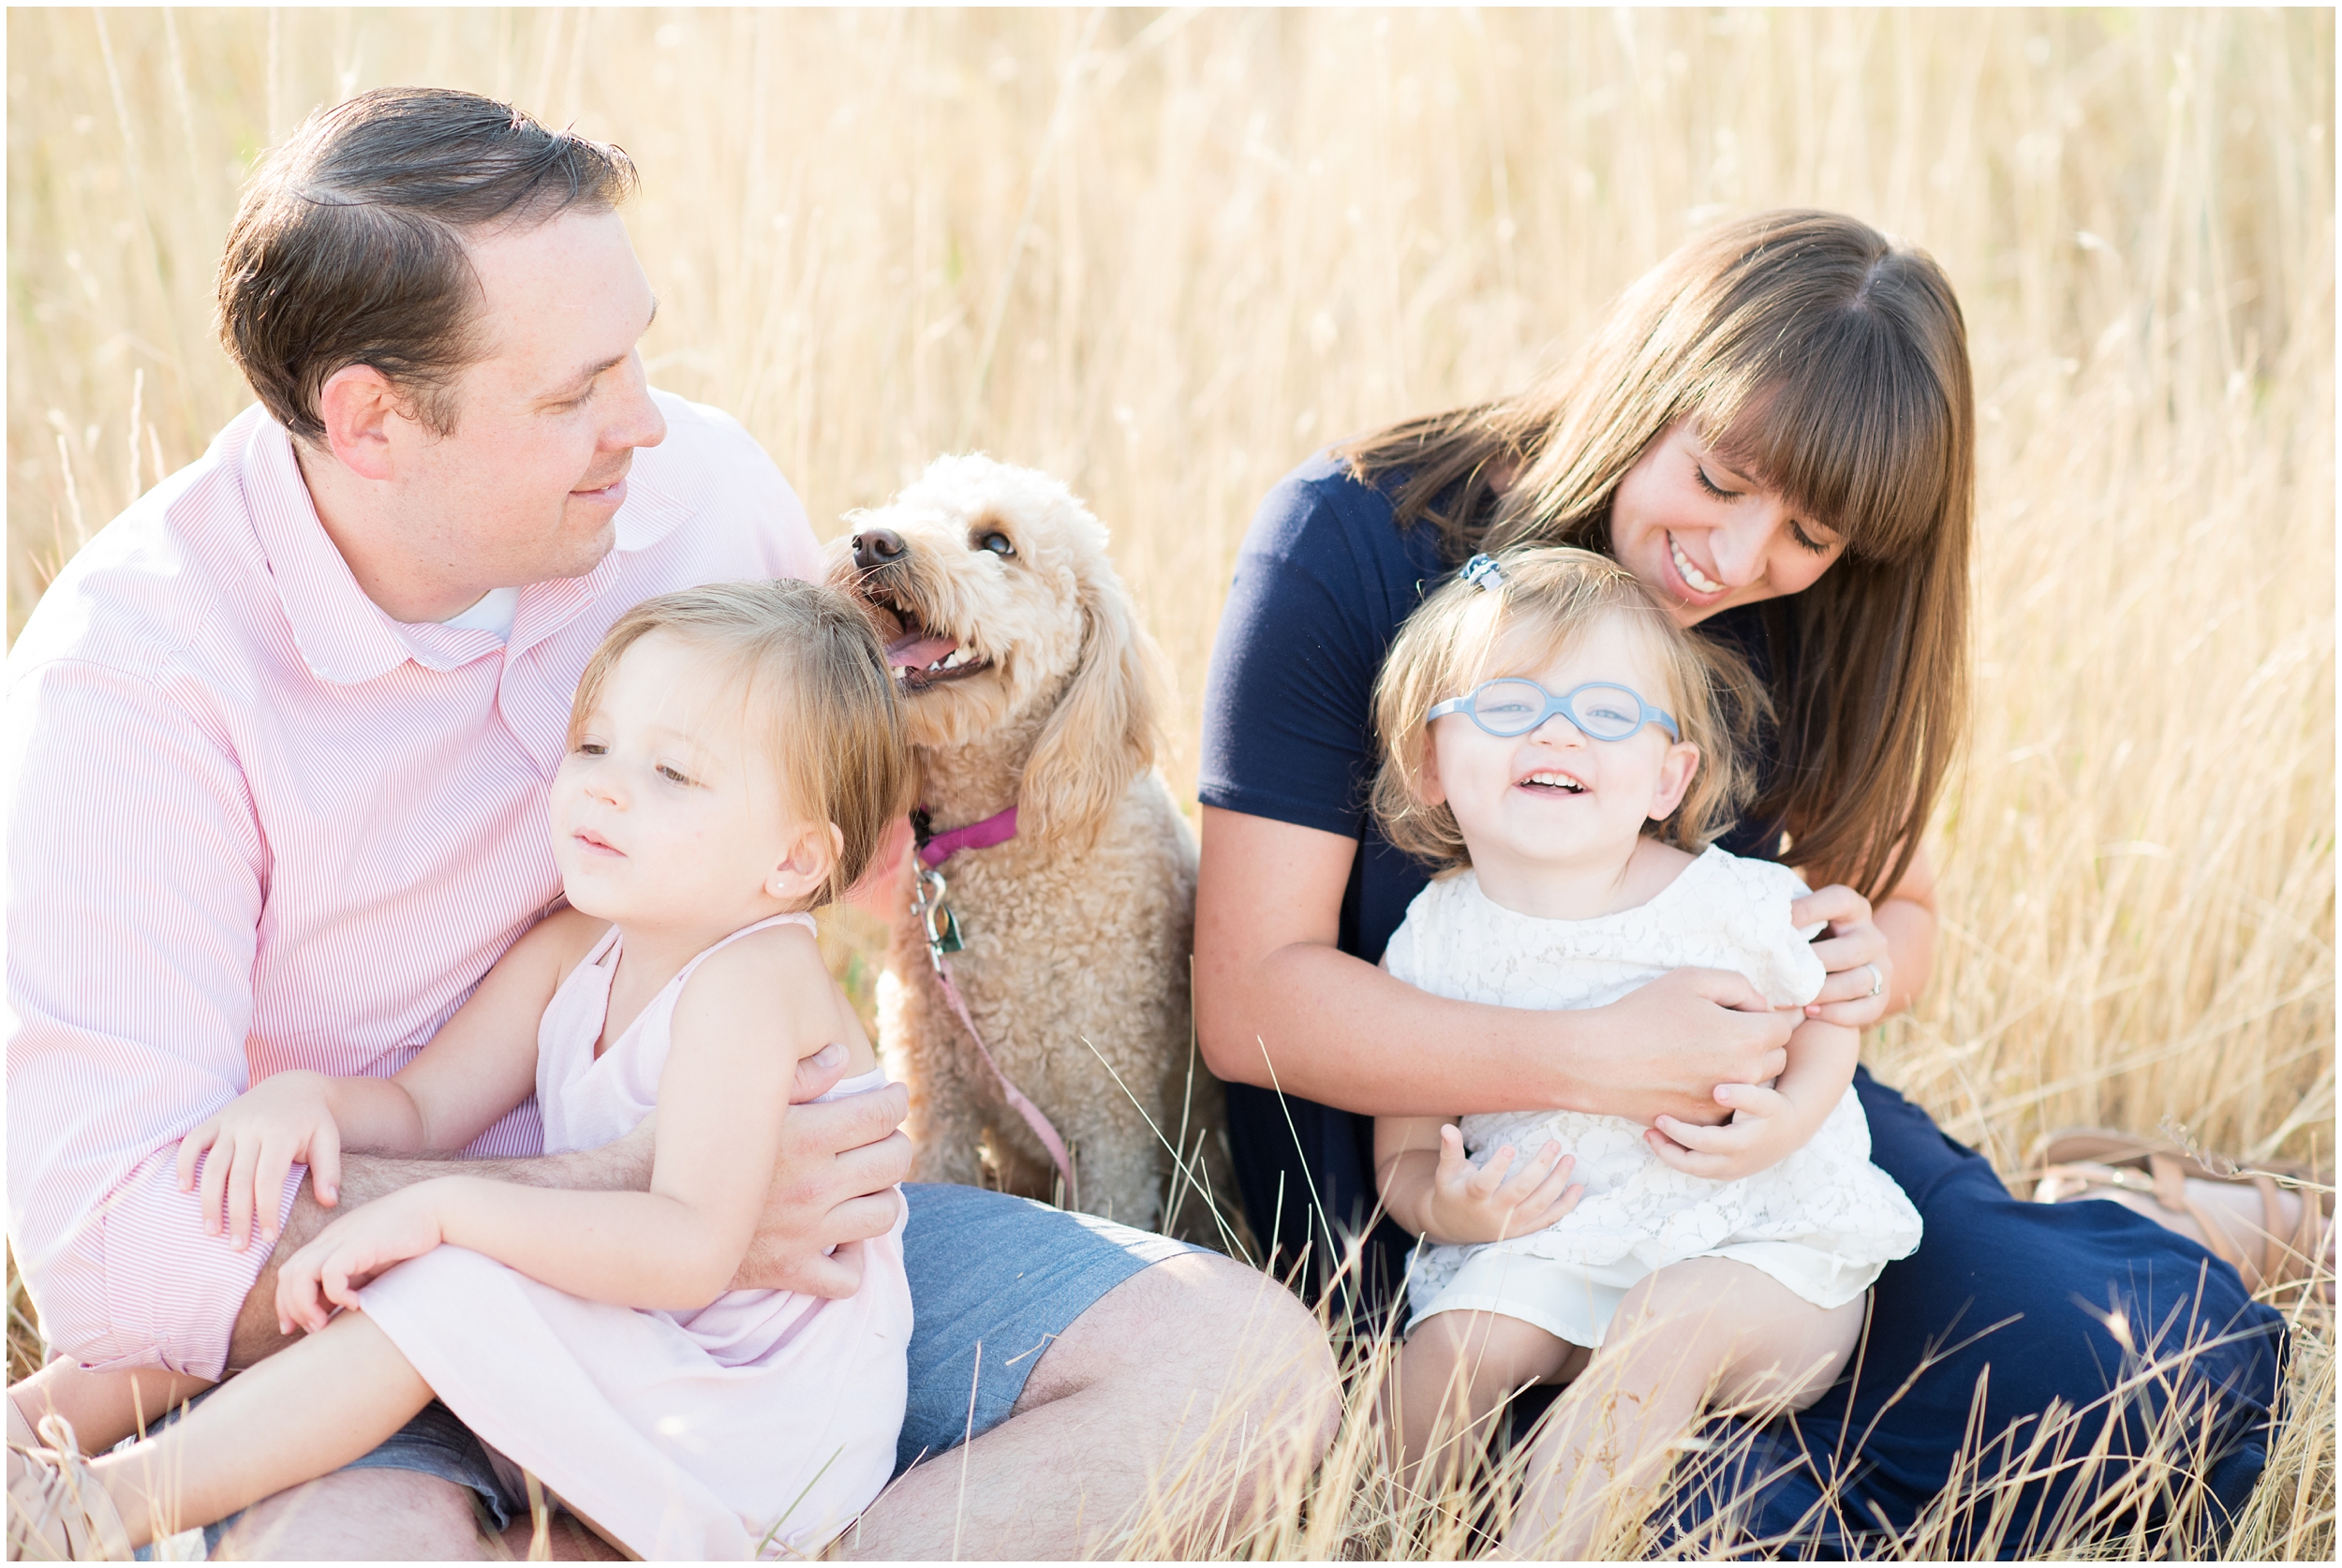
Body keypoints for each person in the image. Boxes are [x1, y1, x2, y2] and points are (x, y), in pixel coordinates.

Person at [7, 87, 1336, 1561]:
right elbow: (121, 1258)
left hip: (771, 1294)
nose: (641, 421)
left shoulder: (692, 489)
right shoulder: (128, 678)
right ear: (371, 419)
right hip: (367, 1307)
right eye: (574, 393)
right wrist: (636, 1187)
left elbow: (871, 835)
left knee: (1239, 1370)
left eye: (636, 354)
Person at [1193, 209, 2289, 1552]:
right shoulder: (1355, 541)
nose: (1732, 555)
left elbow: (1900, 909)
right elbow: (1251, 997)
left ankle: (2138, 1220)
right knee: (1715, 1524)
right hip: (1479, 1202)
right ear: (1651, 385)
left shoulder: (1815, 616)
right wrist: (1590, 1058)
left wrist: (1843, 971)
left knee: (2124, 1383)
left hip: (1744, 1174)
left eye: (1807, 535)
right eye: (1715, 475)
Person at [11, 581, 919, 1561]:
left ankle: (102, 1511)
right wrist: (307, 1099)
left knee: (443, 1277)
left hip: (762, 1426)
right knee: (286, 1225)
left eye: (672, 773)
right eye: (594, 746)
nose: (606, 786)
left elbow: (692, 1244)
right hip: (650, 1353)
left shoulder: (754, 979)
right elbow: (422, 1107)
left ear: (791, 863)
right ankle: (34, 1436)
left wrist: (442, 1212)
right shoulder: (579, 949)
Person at [1364, 546, 1923, 1555]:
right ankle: (1366, 1538)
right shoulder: (1431, 941)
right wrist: (1444, 1206)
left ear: (1669, 778)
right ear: (1429, 760)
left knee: (1667, 1321)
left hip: (1757, 1254)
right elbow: (1403, 1146)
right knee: (1450, 1350)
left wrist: (1789, 1119)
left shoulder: (1730, 903)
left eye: (1608, 714)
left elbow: (1833, 1004)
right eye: (1505, 705)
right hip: (1557, 1249)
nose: (1557, 732)